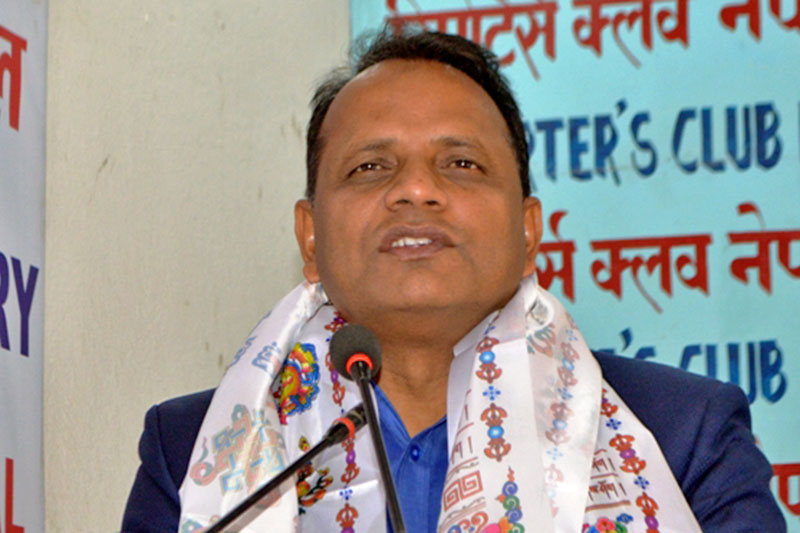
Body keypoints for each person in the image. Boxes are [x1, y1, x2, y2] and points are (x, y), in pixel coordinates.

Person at [122, 28, 785, 532]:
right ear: (310, 237)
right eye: (370, 168)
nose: (415, 189)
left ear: (528, 232)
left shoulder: (682, 434)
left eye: (462, 163)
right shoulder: (197, 452)